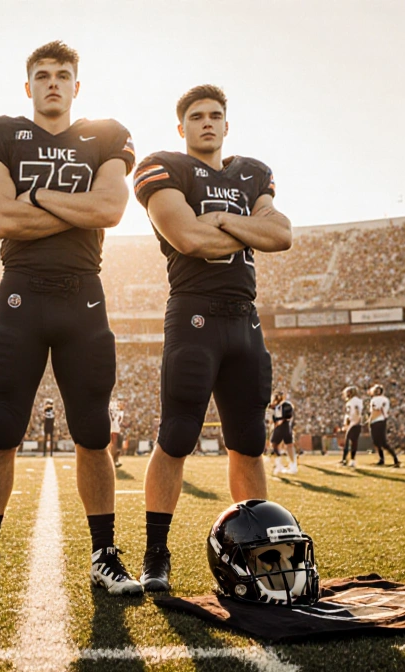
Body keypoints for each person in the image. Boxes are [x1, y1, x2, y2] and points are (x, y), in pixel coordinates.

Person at [0, 41, 139, 598]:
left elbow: (110, 209)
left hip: (83, 295)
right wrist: (72, 202)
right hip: (20, 296)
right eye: (43, 75)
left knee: (92, 432)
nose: (53, 83)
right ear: (28, 86)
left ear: (77, 86)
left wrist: (33, 193)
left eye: (63, 75)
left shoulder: (106, 135)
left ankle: (104, 554)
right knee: (2, 430)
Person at [132, 84, 291, 592]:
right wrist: (247, 226)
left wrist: (220, 217)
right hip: (194, 314)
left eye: (215, 115)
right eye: (196, 116)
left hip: (244, 318)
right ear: (181, 127)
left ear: (227, 124)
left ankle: (256, 549)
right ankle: (156, 553)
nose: (206, 122)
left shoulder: (250, 172)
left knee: (248, 442)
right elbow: (188, 238)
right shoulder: (165, 167)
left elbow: (283, 234)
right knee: (176, 436)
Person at [368, 384, 399, 467]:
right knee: (380, 442)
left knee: (379, 442)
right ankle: (385, 459)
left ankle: (393, 459)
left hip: (376, 421)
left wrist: (369, 421)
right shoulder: (385, 399)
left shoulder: (374, 400)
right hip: (383, 420)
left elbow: (374, 411)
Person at [269, 391, 296, 475]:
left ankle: (293, 465)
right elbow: (273, 417)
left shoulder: (286, 404)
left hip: (285, 426)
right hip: (278, 426)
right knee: (274, 444)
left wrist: (281, 421)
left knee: (289, 445)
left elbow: (289, 415)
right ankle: (279, 465)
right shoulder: (275, 406)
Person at [340, 386, 364, 468]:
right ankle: (348, 459)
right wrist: (346, 424)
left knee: (349, 441)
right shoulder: (351, 402)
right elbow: (348, 415)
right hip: (352, 423)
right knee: (352, 442)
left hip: (355, 423)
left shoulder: (356, 401)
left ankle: (347, 460)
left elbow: (358, 412)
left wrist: (356, 421)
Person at [108, 398, 125, 468]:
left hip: (115, 430)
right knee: (113, 446)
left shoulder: (120, 412)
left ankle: (114, 460)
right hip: (113, 430)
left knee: (117, 446)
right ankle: (113, 461)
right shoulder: (115, 409)